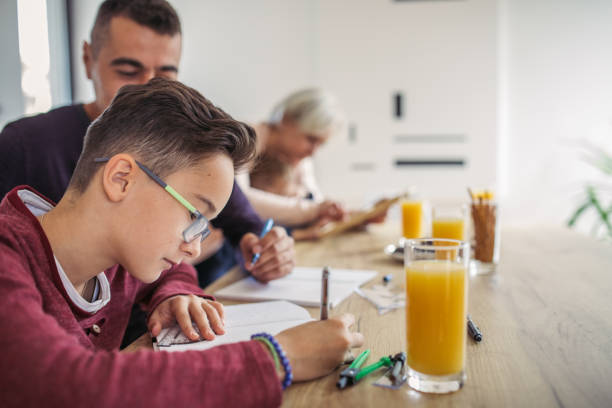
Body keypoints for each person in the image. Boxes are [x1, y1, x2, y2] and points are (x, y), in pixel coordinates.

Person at [0, 78, 364, 407]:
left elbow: (173, 274)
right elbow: (70, 387)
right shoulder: (7, 259)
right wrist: (278, 356)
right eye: (194, 216)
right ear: (122, 179)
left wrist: (173, 294)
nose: (193, 247)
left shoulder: (117, 253)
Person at [0, 0, 293, 286]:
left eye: (166, 75)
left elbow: (245, 225)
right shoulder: (23, 145)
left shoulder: (189, 146)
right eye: (127, 72)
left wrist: (267, 250)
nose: (149, 87)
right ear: (88, 61)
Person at [238, 88, 385, 240]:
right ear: (286, 120)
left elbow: (315, 202)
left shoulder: (297, 155)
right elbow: (239, 199)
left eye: (320, 144)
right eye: (311, 139)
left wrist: (359, 217)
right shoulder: (244, 139)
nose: (313, 152)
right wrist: (315, 210)